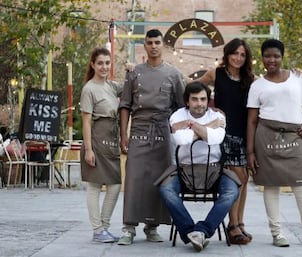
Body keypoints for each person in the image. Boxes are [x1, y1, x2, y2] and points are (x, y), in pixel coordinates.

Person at [246, 39, 302, 248]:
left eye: (276, 56)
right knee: (271, 186)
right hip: (266, 138)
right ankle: (276, 233)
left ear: (282, 57)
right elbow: (252, 121)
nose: (271, 60)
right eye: (267, 56)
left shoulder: (299, 78)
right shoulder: (257, 85)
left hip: (294, 138)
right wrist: (250, 152)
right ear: (261, 58)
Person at [117, 29, 186, 245]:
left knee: (159, 178)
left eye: (157, 42)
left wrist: (180, 134)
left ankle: (152, 226)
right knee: (134, 178)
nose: (154, 46)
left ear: (163, 45)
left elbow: (181, 107)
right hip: (138, 129)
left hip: (163, 131)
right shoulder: (134, 73)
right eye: (149, 42)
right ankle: (129, 227)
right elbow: (124, 105)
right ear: (145, 46)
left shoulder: (174, 74)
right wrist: (123, 135)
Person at [158, 81, 240, 252]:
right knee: (166, 190)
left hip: (214, 170)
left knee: (232, 191)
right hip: (183, 170)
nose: (199, 103)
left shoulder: (218, 116)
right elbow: (182, 140)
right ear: (187, 101)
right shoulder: (178, 115)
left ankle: (202, 230)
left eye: (203, 99)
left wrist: (190, 128)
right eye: (194, 99)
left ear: (208, 100)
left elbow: (215, 139)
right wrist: (206, 128)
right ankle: (190, 230)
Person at [195, 38, 254, 244]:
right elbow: (194, 88)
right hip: (224, 134)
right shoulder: (216, 74)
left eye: (242, 55)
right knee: (235, 180)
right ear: (227, 54)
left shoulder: (250, 79)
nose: (238, 58)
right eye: (235, 53)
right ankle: (233, 226)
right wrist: (208, 111)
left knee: (244, 180)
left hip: (244, 134)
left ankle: (240, 222)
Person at [79, 47, 122, 243]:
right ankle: (98, 230)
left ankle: (103, 227)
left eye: (107, 62)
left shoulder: (111, 86)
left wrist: (131, 70)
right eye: (100, 63)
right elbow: (86, 121)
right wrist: (89, 150)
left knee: (114, 184)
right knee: (95, 186)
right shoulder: (89, 89)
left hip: (111, 141)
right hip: (96, 141)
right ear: (92, 65)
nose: (104, 67)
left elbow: (130, 88)